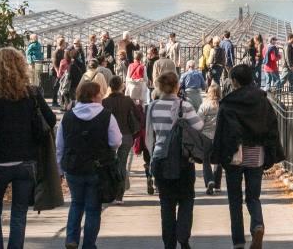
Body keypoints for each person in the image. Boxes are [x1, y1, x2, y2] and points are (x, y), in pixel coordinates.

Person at [0, 47, 57, 249]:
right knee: (19, 213)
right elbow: (50, 119)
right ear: (22, 68)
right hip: (26, 160)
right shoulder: (31, 94)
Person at [212, 64, 285, 249]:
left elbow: (221, 131)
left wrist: (217, 155)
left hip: (234, 155)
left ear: (235, 81)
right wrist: (272, 151)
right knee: (253, 197)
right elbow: (272, 126)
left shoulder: (229, 103)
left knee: (234, 201)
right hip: (256, 154)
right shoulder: (262, 100)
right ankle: (258, 225)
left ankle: (238, 242)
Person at [57, 81, 122, 249]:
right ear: (94, 96)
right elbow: (115, 141)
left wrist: (60, 168)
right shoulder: (107, 116)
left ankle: (71, 238)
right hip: (97, 167)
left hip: (73, 166)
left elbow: (60, 145)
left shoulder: (68, 116)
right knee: (93, 208)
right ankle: (89, 244)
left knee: (76, 203)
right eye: (99, 94)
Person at [146, 71, 203, 249]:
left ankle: (168, 243)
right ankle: (183, 236)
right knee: (186, 199)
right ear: (177, 86)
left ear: (159, 86)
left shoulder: (152, 107)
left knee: (166, 203)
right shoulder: (184, 106)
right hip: (183, 160)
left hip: (160, 159)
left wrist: (153, 155)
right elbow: (199, 127)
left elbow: (149, 136)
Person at [102, 76, 141, 204]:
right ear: (121, 86)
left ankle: (111, 191)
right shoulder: (128, 100)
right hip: (126, 136)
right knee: (122, 164)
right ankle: (119, 195)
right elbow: (138, 116)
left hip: (109, 136)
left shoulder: (105, 102)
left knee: (111, 164)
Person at [198, 83, 223, 195]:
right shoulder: (222, 105)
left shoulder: (204, 105)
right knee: (218, 160)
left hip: (206, 136)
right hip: (219, 136)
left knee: (206, 160)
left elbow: (199, 122)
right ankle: (217, 183)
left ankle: (209, 180)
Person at [51, 38, 69, 105]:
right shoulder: (56, 52)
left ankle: (62, 101)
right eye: (64, 43)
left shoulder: (63, 51)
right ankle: (54, 101)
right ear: (61, 43)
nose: (65, 44)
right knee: (56, 86)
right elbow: (55, 64)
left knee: (61, 86)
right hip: (56, 72)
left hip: (61, 71)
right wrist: (58, 72)